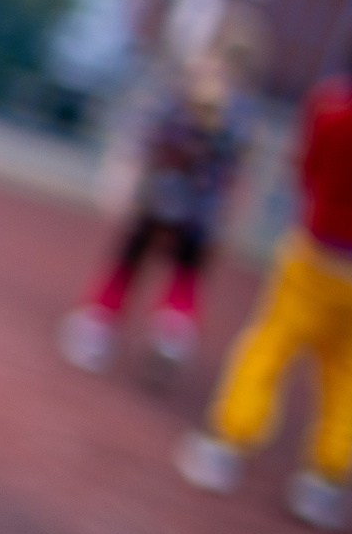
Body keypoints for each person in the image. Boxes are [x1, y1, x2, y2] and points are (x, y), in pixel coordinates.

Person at [178, 40, 352, 531]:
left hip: (317, 250)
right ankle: (324, 481)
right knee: (350, 375)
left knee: (271, 345)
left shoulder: (331, 108)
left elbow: (306, 170)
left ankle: (227, 444)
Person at [58, 49, 248, 379]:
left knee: (128, 264)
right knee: (185, 273)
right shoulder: (233, 124)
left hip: (157, 201)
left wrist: (122, 183)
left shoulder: (173, 109)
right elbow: (233, 178)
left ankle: (98, 327)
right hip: (199, 213)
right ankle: (172, 331)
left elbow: (141, 148)